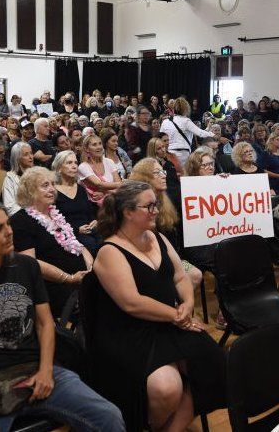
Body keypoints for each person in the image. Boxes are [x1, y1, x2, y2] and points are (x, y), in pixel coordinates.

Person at [0, 200, 123, 432]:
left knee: (108, 416)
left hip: (36, 369)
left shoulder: (26, 266)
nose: (9, 232)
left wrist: (46, 371)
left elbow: (45, 324)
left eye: (8, 224)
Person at [88, 181, 227, 430]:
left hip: (167, 322)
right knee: (167, 388)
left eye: (156, 205)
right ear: (128, 212)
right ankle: (147, 423)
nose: (156, 210)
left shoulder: (157, 237)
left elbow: (180, 276)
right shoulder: (109, 251)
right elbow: (132, 303)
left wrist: (188, 302)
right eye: (149, 206)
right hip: (129, 332)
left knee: (212, 363)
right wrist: (177, 314)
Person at [10, 167, 94, 318]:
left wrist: (90, 267)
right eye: (45, 185)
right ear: (30, 191)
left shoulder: (56, 214)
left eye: (52, 184)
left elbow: (77, 244)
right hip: (54, 287)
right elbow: (31, 262)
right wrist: (69, 279)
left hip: (81, 280)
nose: (52, 189)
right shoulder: (20, 220)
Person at [52, 151, 99, 251]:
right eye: (69, 163)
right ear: (59, 168)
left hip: (89, 230)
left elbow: (89, 211)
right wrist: (76, 229)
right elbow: (54, 221)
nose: (74, 166)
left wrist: (94, 221)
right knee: (90, 244)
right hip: (69, 235)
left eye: (75, 163)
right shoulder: (53, 192)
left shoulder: (80, 189)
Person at [161, 98, 215, 167]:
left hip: (168, 153)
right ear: (186, 109)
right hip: (183, 154)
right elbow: (201, 133)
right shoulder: (186, 121)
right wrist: (213, 135)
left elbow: (160, 137)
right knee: (183, 176)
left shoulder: (165, 122)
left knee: (171, 176)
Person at [78, 134, 123, 207]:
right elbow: (99, 184)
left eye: (100, 143)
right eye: (94, 145)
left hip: (114, 203)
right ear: (87, 149)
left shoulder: (109, 161)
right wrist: (122, 184)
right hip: (94, 207)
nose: (99, 147)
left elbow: (119, 187)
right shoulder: (83, 167)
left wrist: (105, 193)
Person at [3, 142, 34, 216]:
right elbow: (10, 207)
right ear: (17, 158)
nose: (31, 157)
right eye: (26, 154)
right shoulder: (9, 178)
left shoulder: (38, 174)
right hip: (23, 218)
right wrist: (32, 214)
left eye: (31, 153)